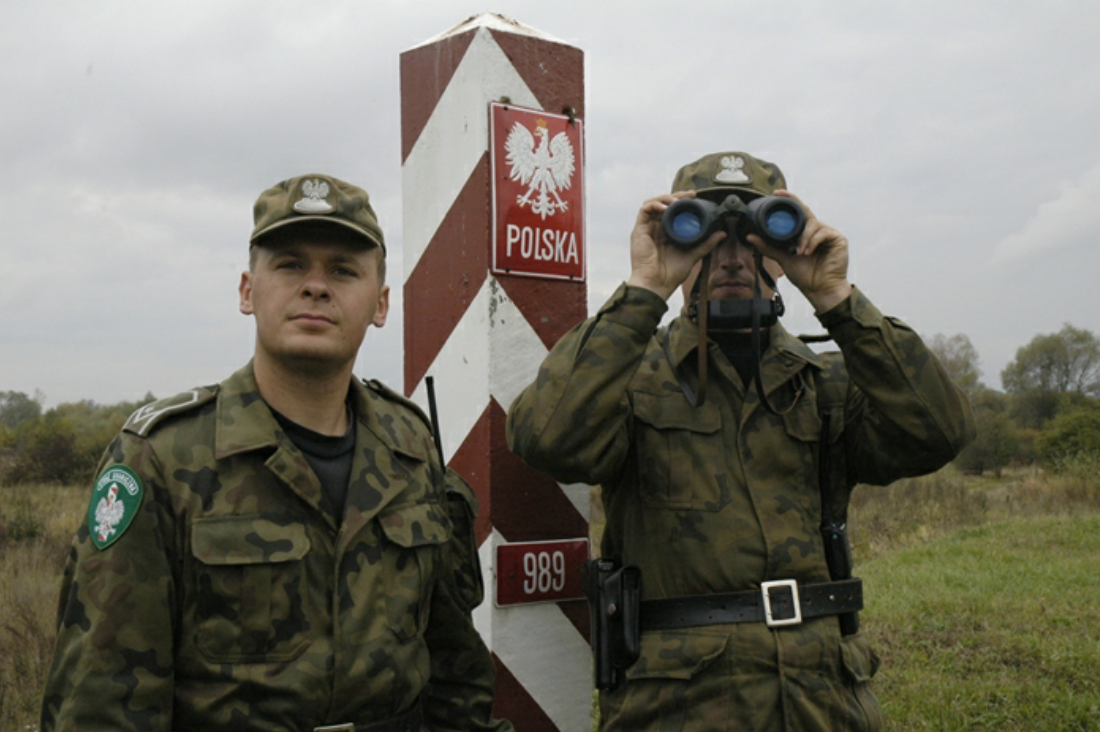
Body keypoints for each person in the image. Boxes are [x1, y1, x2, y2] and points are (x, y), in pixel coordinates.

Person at [506, 152, 976, 731]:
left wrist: (836, 297)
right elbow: (545, 438)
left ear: (785, 250)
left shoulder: (825, 383)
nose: (730, 257)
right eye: (705, 236)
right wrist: (646, 286)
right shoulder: (629, 378)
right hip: (680, 710)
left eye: (756, 237)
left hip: (822, 703)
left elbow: (941, 432)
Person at [41, 174, 514, 732]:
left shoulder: (411, 449)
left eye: (343, 270)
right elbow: (101, 700)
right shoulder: (162, 459)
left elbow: (455, 671)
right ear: (247, 290)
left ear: (380, 304)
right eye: (290, 265)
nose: (316, 286)